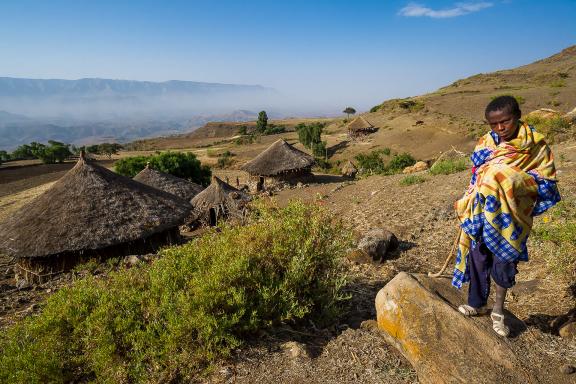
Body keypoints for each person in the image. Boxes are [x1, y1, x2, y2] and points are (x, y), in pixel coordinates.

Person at [452, 96, 561, 337]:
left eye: (505, 121)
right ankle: (476, 303)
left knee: (504, 261)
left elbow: (546, 182)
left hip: (513, 214)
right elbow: (477, 176)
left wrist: (510, 179)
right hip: (483, 212)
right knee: (479, 257)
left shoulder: (535, 144)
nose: (500, 128)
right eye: (493, 124)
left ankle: (498, 312)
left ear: (518, 115)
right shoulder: (485, 144)